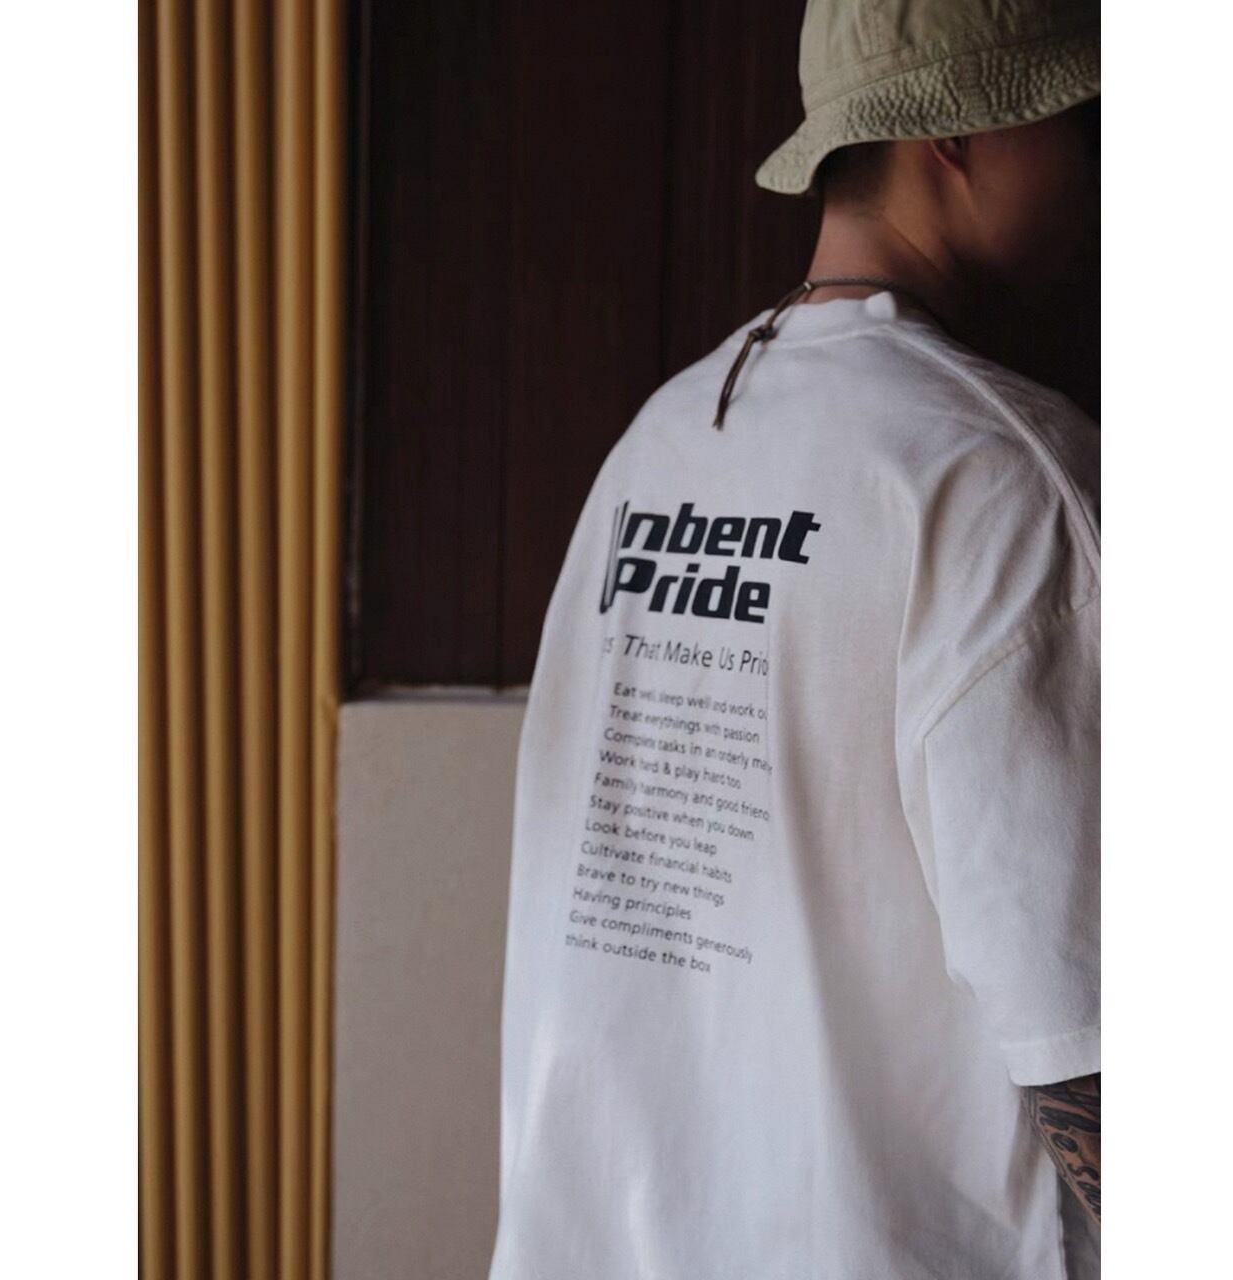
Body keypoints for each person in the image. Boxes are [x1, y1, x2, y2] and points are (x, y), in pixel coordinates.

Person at [488, 0, 1100, 1276]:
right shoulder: (1000, 474)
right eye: (1075, 121)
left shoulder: (659, 445)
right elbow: (1082, 1031)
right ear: (961, 133)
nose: (1097, 166)